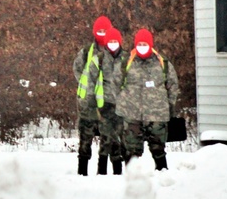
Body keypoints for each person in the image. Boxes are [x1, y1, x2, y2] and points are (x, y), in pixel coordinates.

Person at [113, 28, 179, 171]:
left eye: (145, 44)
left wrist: (169, 106)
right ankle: (132, 180)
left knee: (158, 148)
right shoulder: (126, 63)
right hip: (132, 114)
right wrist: (124, 103)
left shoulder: (162, 63)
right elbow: (115, 84)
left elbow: (172, 86)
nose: (142, 47)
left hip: (157, 114)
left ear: (151, 45)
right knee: (131, 149)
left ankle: (163, 176)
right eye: (140, 44)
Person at [73, 15, 112, 175]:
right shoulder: (86, 52)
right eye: (99, 30)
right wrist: (90, 86)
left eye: (105, 30)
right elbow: (77, 70)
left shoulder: (114, 50)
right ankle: (82, 172)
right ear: (95, 32)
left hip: (108, 103)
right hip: (87, 104)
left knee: (108, 139)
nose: (102, 33)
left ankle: (102, 172)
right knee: (85, 138)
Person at [98, 28, 127, 175]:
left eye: (115, 41)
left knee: (122, 139)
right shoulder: (100, 59)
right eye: (111, 41)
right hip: (105, 104)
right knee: (106, 138)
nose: (113, 44)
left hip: (123, 105)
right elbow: (90, 80)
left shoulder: (127, 59)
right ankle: (101, 171)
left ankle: (121, 172)